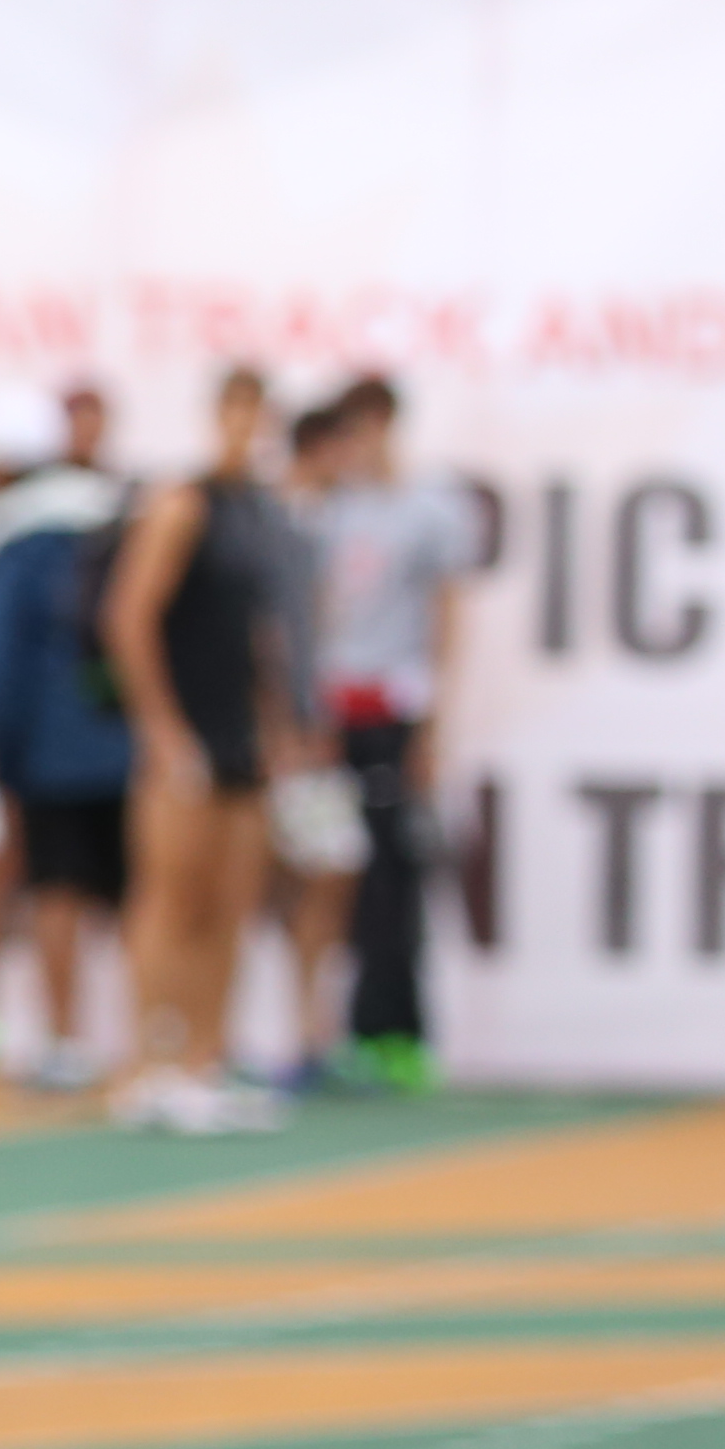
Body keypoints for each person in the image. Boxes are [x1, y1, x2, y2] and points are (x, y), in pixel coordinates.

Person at [100, 369, 296, 1133]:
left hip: (242, 732)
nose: (252, 427)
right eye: (240, 412)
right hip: (186, 731)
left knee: (231, 902)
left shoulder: (261, 511)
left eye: (262, 413)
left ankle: (204, 1061)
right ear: (219, 415)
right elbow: (129, 616)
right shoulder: (185, 503)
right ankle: (148, 1065)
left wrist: (275, 725)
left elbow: (262, 634)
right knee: (171, 898)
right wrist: (162, 727)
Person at [294, 379, 480, 1089]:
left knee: (394, 874)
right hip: (332, 716)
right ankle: (324, 1035)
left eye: (364, 427)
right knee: (326, 877)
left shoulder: (429, 510)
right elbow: (310, 615)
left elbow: (445, 613)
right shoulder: (325, 512)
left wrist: (433, 720)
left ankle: (397, 1029)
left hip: (393, 712)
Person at [0, 390, 127, 1093]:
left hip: (48, 751)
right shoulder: (114, 512)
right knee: (132, 892)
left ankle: (65, 1039)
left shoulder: (3, 536)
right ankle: (157, 1040)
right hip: (126, 738)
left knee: (54, 887)